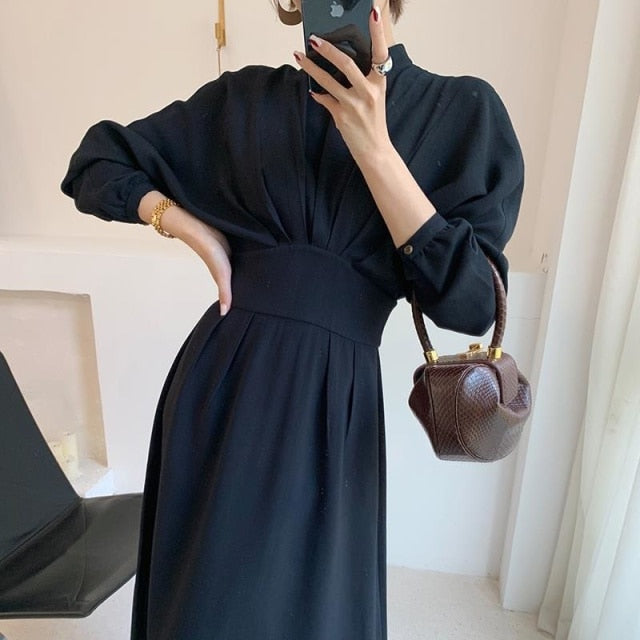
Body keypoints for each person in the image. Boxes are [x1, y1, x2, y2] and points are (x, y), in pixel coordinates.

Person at [60, 1, 525, 638]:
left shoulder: (462, 112)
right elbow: (96, 161)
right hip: (221, 389)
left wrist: (376, 149)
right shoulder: (247, 100)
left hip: (334, 406)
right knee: (204, 607)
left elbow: (470, 305)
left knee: (310, 612)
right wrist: (185, 225)